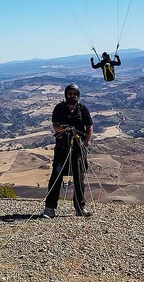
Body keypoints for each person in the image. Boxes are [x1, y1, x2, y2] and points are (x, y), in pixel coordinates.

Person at [42, 84, 93, 218]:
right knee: (56, 177)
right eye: (70, 94)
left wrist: (85, 142)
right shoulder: (59, 108)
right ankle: (49, 208)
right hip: (62, 148)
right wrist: (64, 130)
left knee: (79, 178)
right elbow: (55, 125)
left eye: (75, 94)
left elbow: (89, 126)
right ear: (66, 94)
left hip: (78, 148)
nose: (73, 96)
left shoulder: (83, 109)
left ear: (78, 95)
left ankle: (80, 208)